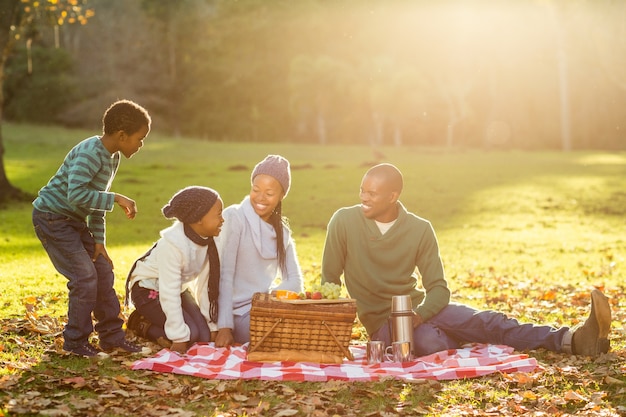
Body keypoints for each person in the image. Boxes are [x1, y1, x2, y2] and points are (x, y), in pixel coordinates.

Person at [321, 163, 612, 358]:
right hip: (383, 324)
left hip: (422, 309)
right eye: (362, 190)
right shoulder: (343, 222)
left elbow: (438, 288)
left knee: (490, 320)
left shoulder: (419, 229)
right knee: (430, 341)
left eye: (372, 193)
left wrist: (420, 314)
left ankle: (573, 340)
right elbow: (330, 281)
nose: (364, 198)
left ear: (392, 196)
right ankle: (457, 337)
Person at [32, 99, 151, 357]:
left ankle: (112, 337)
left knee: (103, 270)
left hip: (73, 221)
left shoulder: (112, 157)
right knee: (85, 278)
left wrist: (99, 241)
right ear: (122, 135)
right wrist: (117, 198)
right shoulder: (89, 152)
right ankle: (75, 342)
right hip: (52, 218)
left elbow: (95, 202)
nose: (140, 145)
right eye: (139, 139)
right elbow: (77, 195)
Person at [214, 155, 304, 347]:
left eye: (269, 193)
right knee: (281, 336)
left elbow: (295, 281)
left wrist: (268, 299)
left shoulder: (282, 232)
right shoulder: (235, 217)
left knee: (302, 328)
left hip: (263, 309)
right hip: (235, 312)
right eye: (256, 190)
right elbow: (225, 274)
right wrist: (224, 327)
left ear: (281, 196)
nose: (260, 198)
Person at [126, 186, 224, 354]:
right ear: (199, 219)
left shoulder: (209, 243)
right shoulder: (172, 245)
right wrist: (179, 337)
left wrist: (212, 324)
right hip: (148, 290)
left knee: (204, 334)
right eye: (218, 214)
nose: (222, 220)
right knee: (190, 334)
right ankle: (141, 323)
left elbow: (206, 286)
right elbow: (168, 292)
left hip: (177, 287)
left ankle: (171, 326)